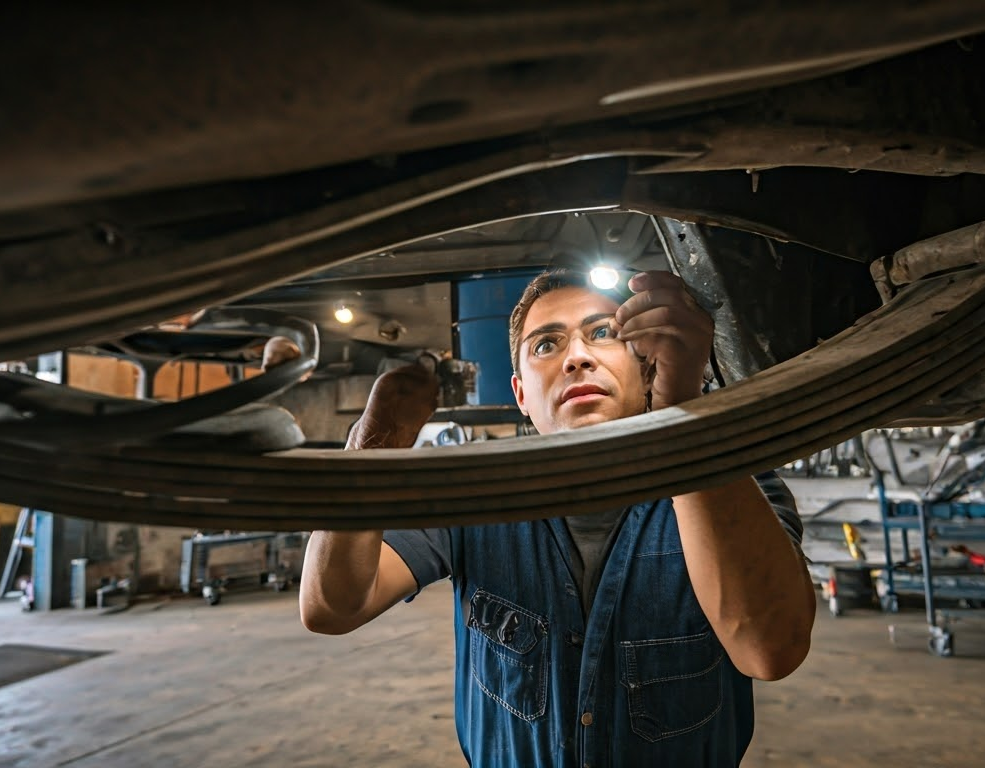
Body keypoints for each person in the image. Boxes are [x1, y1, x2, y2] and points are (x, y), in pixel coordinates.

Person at [300, 268, 815, 767]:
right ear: (521, 394)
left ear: (647, 365)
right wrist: (369, 450)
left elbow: (771, 650)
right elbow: (332, 608)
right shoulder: (473, 495)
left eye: (603, 333)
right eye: (546, 345)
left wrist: (684, 412)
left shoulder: (737, 487)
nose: (577, 358)